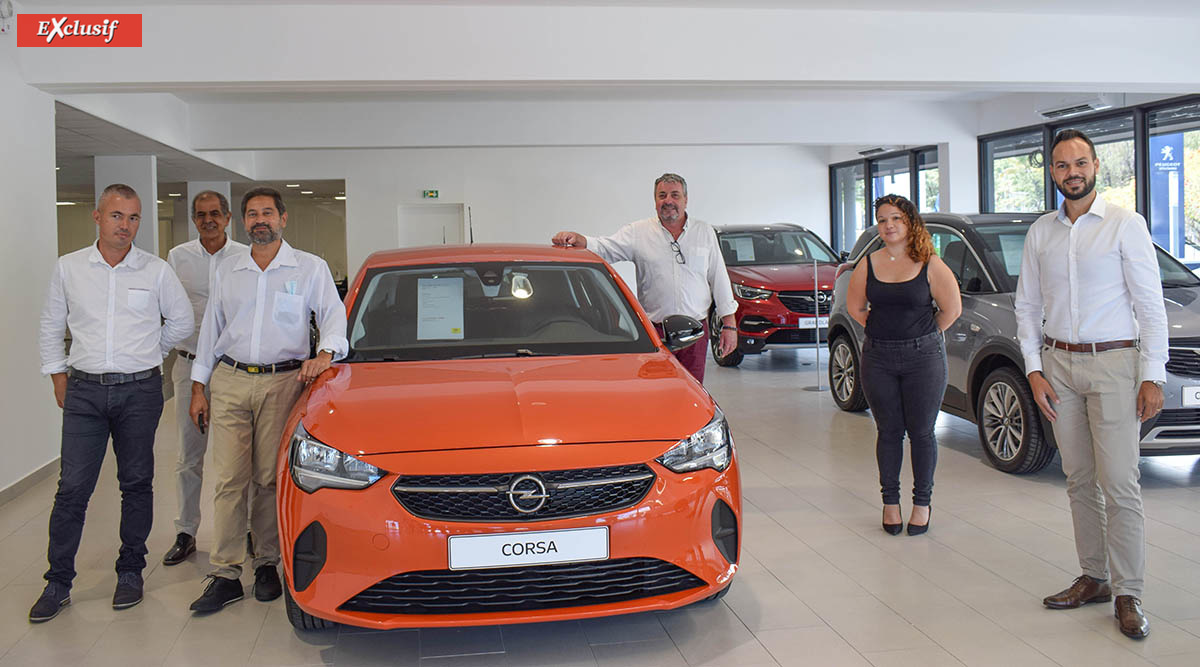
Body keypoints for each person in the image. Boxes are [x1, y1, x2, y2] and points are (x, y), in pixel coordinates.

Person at [1014, 129, 1165, 640]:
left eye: (1080, 162)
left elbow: (1150, 306)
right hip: (1059, 366)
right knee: (1077, 478)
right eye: (1061, 164)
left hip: (1116, 364)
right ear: (1052, 172)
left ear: (1096, 166)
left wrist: (1153, 375)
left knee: (1120, 483)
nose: (1071, 171)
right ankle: (1094, 577)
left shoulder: (1125, 224)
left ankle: (1129, 591)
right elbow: (1028, 307)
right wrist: (1034, 369)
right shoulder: (1041, 232)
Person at [31, 184, 192, 622]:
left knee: (136, 483)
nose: (126, 226)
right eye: (118, 216)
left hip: (140, 392)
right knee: (72, 489)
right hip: (84, 390)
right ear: (97, 217)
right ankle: (58, 581)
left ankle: (130, 571)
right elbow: (50, 324)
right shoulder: (69, 269)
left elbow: (181, 319)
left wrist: (150, 353)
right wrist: (58, 376)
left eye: (134, 217)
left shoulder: (155, 271)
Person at [187, 186, 347, 613]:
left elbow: (334, 315)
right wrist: (198, 385)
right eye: (253, 213)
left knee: (267, 479)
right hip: (232, 379)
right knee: (227, 479)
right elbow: (210, 332)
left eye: (267, 213)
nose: (261, 220)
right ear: (244, 221)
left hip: (283, 382)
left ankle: (266, 564)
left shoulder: (308, 268)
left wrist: (326, 353)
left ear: (283, 218)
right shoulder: (229, 270)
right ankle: (224, 573)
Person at [844, 194, 960, 537]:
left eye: (895, 218)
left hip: (923, 358)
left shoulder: (930, 263)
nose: (889, 225)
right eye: (882, 220)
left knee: (922, 432)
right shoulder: (869, 263)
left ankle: (922, 503)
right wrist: (883, 331)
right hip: (878, 357)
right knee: (889, 431)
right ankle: (890, 503)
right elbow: (856, 308)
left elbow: (951, 310)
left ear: (909, 222)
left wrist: (920, 335)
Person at [550, 173, 737, 383]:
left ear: (686, 199)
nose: (668, 201)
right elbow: (606, 248)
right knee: (657, 390)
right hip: (655, 334)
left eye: (675, 195)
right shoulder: (638, 232)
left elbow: (719, 278)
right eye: (662, 195)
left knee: (692, 391)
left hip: (695, 333)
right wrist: (581, 240)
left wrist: (729, 325)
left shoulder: (704, 232)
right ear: (655, 201)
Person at [161, 191, 248, 566]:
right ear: (193, 219)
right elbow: (164, 310)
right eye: (201, 215)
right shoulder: (178, 258)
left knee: (237, 459)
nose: (208, 220)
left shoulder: (246, 257)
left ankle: (242, 530)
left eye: (215, 213)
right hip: (189, 365)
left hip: (232, 370)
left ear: (228, 218)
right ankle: (186, 531)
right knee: (189, 455)